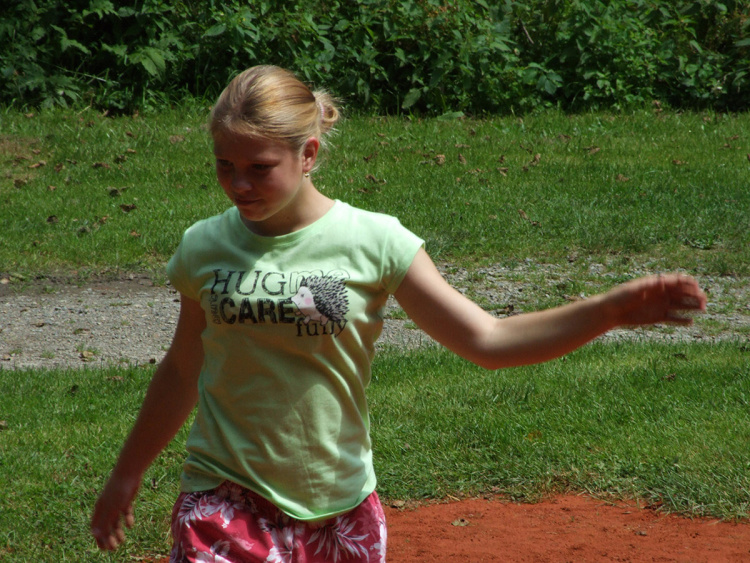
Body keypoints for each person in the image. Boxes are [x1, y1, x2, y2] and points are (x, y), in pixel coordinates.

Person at [91, 65, 707, 562]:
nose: (239, 185)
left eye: (259, 168)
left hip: (339, 502)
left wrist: (608, 310)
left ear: (308, 154)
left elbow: (488, 339)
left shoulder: (375, 241)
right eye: (225, 165)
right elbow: (183, 368)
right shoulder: (204, 246)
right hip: (223, 497)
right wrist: (127, 474)